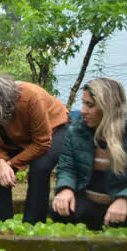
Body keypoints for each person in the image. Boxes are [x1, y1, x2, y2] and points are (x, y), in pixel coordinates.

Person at [0, 73, 69, 224]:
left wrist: (9, 164)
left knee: (39, 168)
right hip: (19, 136)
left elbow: (42, 143)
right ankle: (2, 225)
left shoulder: (31, 97)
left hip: (54, 130)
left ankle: (33, 224)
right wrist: (0, 162)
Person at [51, 78, 127, 230]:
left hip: (119, 207)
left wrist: (124, 199)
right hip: (88, 203)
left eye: (90, 105)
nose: (83, 111)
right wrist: (66, 188)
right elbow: (67, 167)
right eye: (83, 103)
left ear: (108, 107)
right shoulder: (76, 131)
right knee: (58, 210)